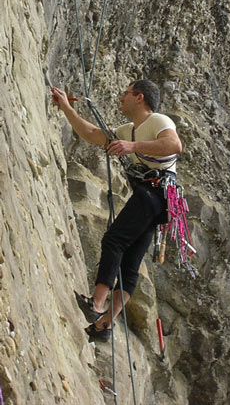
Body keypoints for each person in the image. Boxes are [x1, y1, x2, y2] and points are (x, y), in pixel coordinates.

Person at [52, 79, 182, 342]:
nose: (121, 98)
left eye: (126, 93)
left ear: (139, 98)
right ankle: (105, 326)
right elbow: (91, 133)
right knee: (130, 264)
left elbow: (174, 146)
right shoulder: (127, 130)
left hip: (155, 192)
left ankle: (96, 305)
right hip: (159, 201)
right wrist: (66, 107)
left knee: (115, 239)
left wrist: (132, 147)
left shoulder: (158, 121)